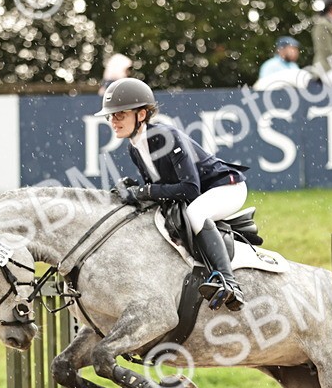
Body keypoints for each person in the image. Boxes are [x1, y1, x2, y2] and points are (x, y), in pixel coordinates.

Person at [94, 78, 248, 311]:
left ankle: (229, 282)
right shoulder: (134, 148)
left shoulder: (166, 137)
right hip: (203, 192)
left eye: (120, 115)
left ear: (141, 115)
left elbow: (189, 189)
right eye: (110, 116)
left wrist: (144, 191)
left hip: (227, 188)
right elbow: (161, 188)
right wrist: (135, 190)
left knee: (196, 214)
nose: (113, 121)